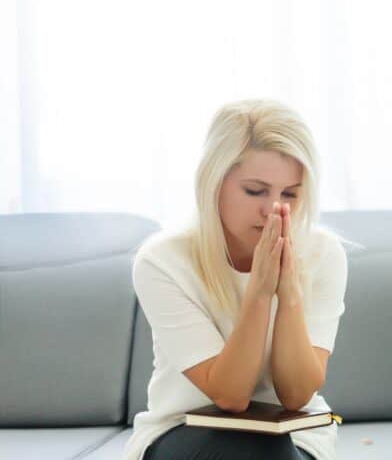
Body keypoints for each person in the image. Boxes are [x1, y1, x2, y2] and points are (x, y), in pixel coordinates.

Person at [123, 99, 348, 460]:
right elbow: (231, 395)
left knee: (270, 450)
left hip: (292, 438)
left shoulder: (324, 254)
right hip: (184, 429)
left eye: (290, 193)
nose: (275, 209)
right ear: (214, 182)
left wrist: (288, 293)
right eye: (255, 191)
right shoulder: (162, 262)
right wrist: (259, 293)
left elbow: (295, 395)